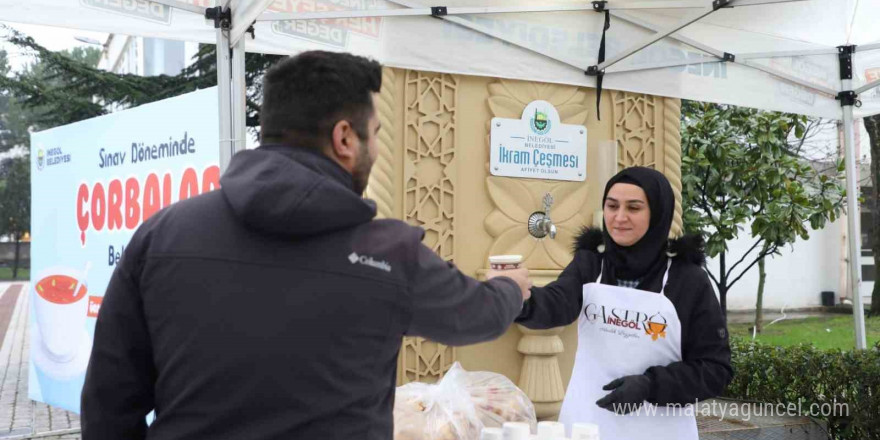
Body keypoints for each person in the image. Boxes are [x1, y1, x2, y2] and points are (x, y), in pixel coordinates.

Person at [81, 51, 531, 440]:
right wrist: (511, 288)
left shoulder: (163, 234)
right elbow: (479, 315)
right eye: (374, 134)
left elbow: (108, 402)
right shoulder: (390, 253)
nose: (375, 148)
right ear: (344, 138)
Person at [516, 167, 732, 440]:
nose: (619, 217)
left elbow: (715, 369)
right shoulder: (591, 263)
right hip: (587, 425)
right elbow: (557, 304)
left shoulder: (687, 280)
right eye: (612, 205)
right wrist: (516, 298)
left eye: (634, 208)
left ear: (657, 213)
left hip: (658, 430)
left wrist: (650, 386)